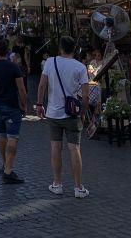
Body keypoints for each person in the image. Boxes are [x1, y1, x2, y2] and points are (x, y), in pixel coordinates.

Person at [36, 36, 90, 199]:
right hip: (72, 113)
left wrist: (39, 104)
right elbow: (86, 96)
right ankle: (78, 187)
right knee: (74, 149)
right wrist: (82, 114)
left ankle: (57, 184)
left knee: (55, 148)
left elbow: (42, 85)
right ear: (74, 49)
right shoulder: (80, 67)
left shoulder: (50, 62)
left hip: (53, 113)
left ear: (60, 48)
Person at [0, 39, 28, 184]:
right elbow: (21, 89)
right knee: (13, 137)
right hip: (10, 104)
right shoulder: (13, 67)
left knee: (1, 136)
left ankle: (5, 165)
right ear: (7, 50)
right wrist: (24, 105)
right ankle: (8, 171)